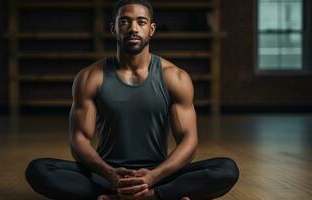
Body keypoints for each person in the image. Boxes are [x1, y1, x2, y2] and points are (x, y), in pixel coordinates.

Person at [25, 0, 239, 199]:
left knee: (226, 169)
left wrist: (152, 177)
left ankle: (144, 195)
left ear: (151, 29)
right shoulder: (90, 77)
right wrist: (110, 174)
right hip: (106, 173)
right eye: (124, 22)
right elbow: (79, 140)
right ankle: (156, 195)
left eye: (141, 22)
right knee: (39, 170)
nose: (133, 28)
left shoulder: (175, 77)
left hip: (158, 172)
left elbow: (188, 141)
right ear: (113, 29)